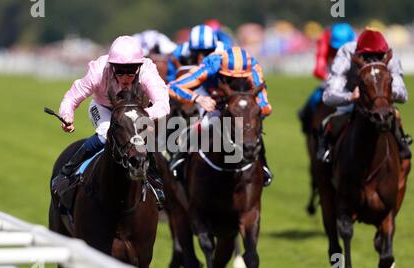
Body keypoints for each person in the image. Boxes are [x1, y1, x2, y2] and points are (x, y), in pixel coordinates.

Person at [51, 36, 170, 200]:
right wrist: (67, 115)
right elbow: (72, 97)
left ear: (139, 66)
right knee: (105, 134)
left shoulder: (148, 71)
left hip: (137, 112)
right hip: (103, 108)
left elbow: (163, 105)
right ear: (111, 66)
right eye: (120, 70)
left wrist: (137, 117)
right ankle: (66, 171)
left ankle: (156, 182)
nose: (126, 77)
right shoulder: (98, 71)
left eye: (131, 70)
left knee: (144, 141)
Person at [168, 46, 273, 187]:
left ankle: (263, 164)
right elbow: (173, 87)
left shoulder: (253, 68)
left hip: (241, 100)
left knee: (253, 123)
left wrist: (255, 109)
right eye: (230, 78)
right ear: (221, 72)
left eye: (242, 79)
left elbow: (265, 106)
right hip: (210, 94)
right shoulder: (212, 65)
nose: (236, 83)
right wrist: (198, 98)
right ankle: (180, 158)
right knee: (206, 123)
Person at [319, 29, 411, 162]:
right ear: (358, 53)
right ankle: (326, 154)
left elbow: (403, 95)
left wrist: (384, 93)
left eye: (378, 56)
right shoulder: (347, 52)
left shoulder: (390, 56)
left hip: (381, 103)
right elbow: (328, 96)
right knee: (328, 122)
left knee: (395, 116)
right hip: (351, 101)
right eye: (367, 57)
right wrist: (350, 97)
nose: (373, 60)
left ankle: (403, 149)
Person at [298, 23, 356, 134]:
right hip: (330, 80)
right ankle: (308, 128)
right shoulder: (324, 40)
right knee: (311, 103)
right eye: (336, 48)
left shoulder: (356, 44)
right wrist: (331, 79)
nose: (340, 51)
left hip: (350, 83)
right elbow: (318, 69)